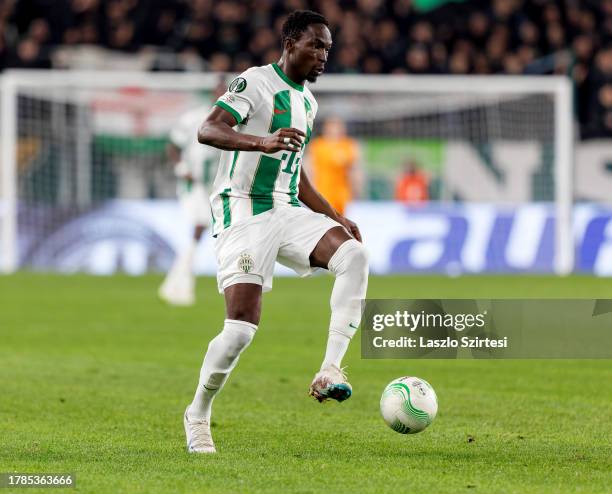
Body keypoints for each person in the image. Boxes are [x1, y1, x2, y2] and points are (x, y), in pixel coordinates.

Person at [183, 10, 369, 454]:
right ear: (289, 44)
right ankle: (199, 412)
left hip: (287, 210)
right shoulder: (255, 82)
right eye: (316, 46)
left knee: (355, 255)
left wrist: (334, 215)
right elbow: (208, 129)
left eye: (328, 48)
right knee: (241, 329)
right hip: (243, 211)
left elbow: (295, 172)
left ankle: (330, 370)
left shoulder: (308, 102)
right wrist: (260, 141)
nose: (324, 56)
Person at [158, 80, 226, 306]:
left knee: (199, 231)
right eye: (219, 92)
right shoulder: (193, 118)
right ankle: (181, 284)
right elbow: (173, 147)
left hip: (214, 187)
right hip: (193, 185)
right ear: (212, 94)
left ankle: (175, 282)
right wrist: (182, 169)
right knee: (199, 226)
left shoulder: (236, 122)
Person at [307, 116, 363, 215]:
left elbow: (354, 170)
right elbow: (311, 170)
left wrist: (356, 189)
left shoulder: (348, 145)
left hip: (342, 193)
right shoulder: (318, 145)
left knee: (342, 221)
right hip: (323, 191)